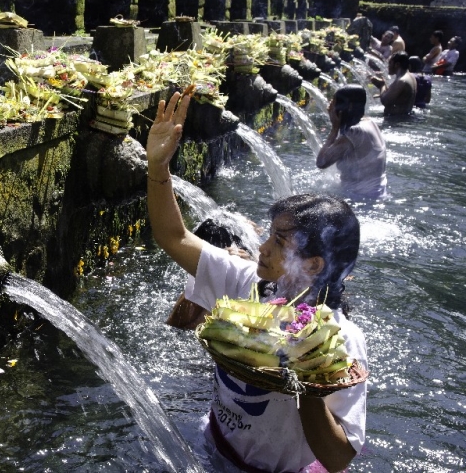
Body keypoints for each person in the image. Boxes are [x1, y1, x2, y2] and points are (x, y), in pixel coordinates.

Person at [147, 92, 368, 473]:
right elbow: (173, 236)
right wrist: (158, 166)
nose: (261, 248)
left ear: (314, 264)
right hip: (212, 448)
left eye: (279, 243)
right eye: (269, 236)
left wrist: (307, 377)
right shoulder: (244, 283)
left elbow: (337, 458)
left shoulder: (340, 340)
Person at [316, 85, 388, 199]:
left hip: (360, 198)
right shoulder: (370, 123)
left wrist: (334, 129)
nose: (329, 108)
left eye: (333, 102)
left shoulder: (354, 133)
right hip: (377, 194)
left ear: (348, 106)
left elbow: (322, 162)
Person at [370, 50, 416, 116]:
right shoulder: (411, 76)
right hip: (403, 117)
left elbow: (385, 101)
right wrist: (384, 87)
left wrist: (381, 85)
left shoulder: (402, 81)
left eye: (390, 63)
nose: (388, 66)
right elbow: (397, 97)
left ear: (397, 65)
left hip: (395, 120)